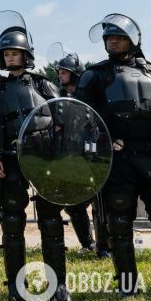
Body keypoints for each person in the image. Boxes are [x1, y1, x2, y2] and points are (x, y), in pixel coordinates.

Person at [74, 14, 151, 298]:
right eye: (108, 38)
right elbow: (80, 117)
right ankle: (128, 287)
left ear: (133, 39)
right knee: (119, 223)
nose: (112, 41)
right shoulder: (95, 75)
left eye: (118, 37)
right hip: (120, 157)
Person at [0, 12, 71, 301]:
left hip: (42, 160)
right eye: (5, 53)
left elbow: (63, 120)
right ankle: (16, 288)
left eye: (14, 53)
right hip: (8, 159)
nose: (9, 58)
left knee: (51, 222)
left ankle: (58, 287)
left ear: (26, 54)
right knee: (12, 222)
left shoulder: (43, 85)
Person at [54, 50, 106, 257]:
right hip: (70, 158)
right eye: (59, 71)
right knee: (73, 203)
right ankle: (87, 244)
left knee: (100, 204)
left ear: (76, 73)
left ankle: (104, 248)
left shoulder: (92, 96)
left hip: (93, 156)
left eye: (64, 71)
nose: (60, 75)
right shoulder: (58, 97)